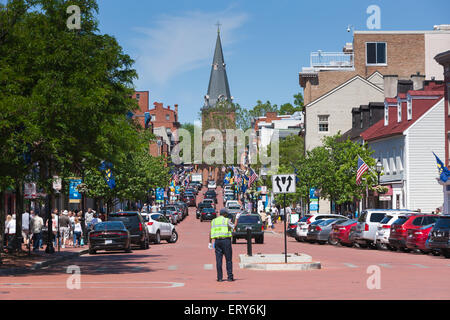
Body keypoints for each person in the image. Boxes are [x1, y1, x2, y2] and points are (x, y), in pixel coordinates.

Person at [209, 208, 235, 282]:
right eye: (226, 214)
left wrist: (210, 242)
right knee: (228, 260)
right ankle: (230, 277)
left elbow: (211, 232)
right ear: (224, 214)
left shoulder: (214, 221)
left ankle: (219, 277)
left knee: (218, 260)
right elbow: (234, 227)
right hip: (226, 241)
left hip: (217, 241)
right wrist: (236, 219)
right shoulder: (226, 220)